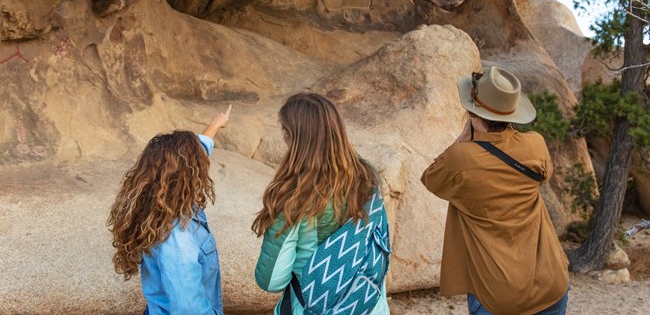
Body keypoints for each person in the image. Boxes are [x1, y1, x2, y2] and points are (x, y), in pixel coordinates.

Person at [421, 66, 569, 315]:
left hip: (495, 294)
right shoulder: (535, 144)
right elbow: (545, 175)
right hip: (550, 283)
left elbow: (431, 179)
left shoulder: (460, 159)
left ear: (473, 115)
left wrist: (464, 137)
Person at [252, 93, 390, 315]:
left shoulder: (294, 196)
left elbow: (272, 281)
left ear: (296, 139)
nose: (284, 138)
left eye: (286, 133)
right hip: (368, 305)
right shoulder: (367, 176)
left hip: (316, 307)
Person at [107, 105, 232, 315]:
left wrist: (215, 124)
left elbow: (199, 149)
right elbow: (189, 309)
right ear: (189, 175)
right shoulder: (177, 239)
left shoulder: (160, 203)